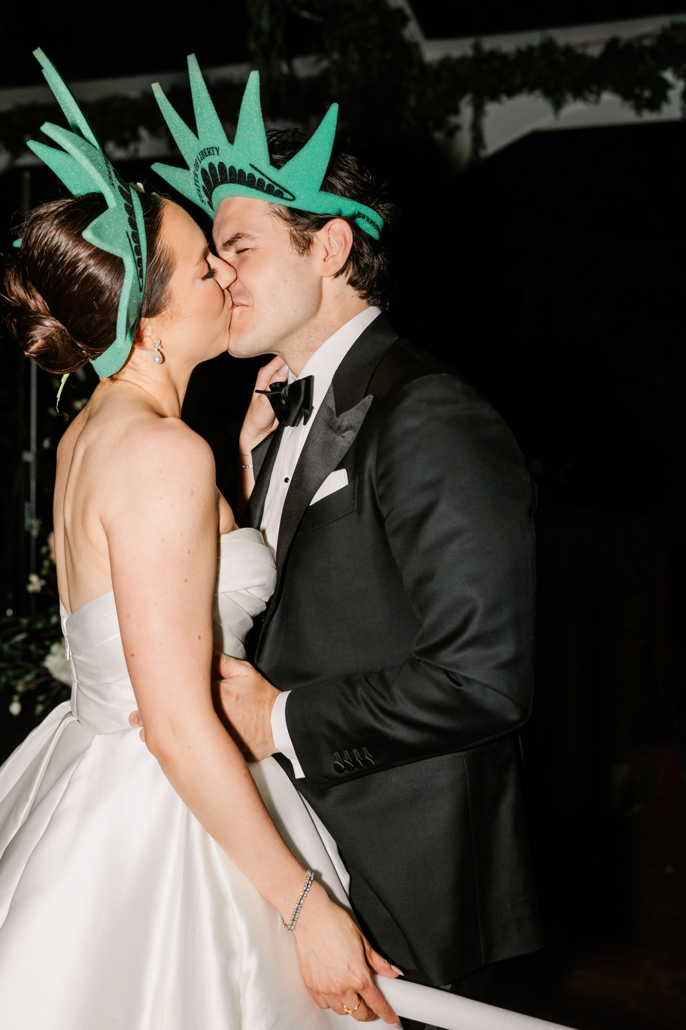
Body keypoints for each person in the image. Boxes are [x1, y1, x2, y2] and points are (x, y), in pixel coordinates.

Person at [0, 52, 402, 1029]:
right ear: (150, 314)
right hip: (165, 809)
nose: (227, 271)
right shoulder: (163, 452)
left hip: (99, 773)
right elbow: (177, 723)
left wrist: (238, 470)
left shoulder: (97, 429)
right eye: (205, 260)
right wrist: (302, 904)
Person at [147, 57, 544, 1030]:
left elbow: (484, 677)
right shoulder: (269, 417)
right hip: (301, 867)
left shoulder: (429, 413)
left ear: (327, 246)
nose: (218, 273)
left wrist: (279, 719)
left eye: (236, 246)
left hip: (407, 891)